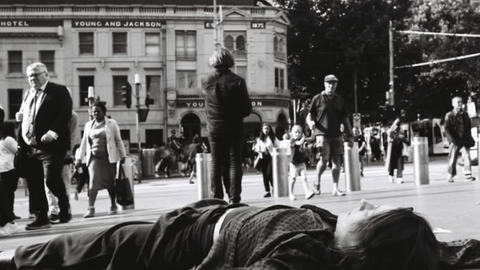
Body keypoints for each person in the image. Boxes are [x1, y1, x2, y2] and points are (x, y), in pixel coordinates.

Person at [2, 198, 480, 270]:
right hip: (202, 215)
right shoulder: (335, 233)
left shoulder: (304, 255)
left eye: (372, 212)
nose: (364, 203)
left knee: (83, 249)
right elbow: (457, 251)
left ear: (364, 245)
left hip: (182, 242)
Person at [15, 62, 73, 230]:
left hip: (51, 146)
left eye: (36, 74)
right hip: (30, 147)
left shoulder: (58, 90)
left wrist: (52, 132)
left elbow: (65, 114)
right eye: (30, 76)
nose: (32, 78)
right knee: (34, 183)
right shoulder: (28, 94)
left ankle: (64, 206)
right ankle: (41, 218)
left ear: (46, 75)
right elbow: (26, 117)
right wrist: (20, 118)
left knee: (52, 180)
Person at [202, 45, 252, 204]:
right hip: (234, 127)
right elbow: (247, 109)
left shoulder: (205, 80)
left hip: (214, 128)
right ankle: (234, 198)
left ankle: (217, 197)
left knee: (216, 161)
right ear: (229, 60)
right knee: (234, 162)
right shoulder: (237, 81)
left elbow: (207, 105)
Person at [75, 101, 127, 218]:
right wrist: (79, 158)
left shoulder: (111, 124)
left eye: (98, 111)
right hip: (94, 159)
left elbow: (118, 140)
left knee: (110, 183)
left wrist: (122, 155)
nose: (95, 114)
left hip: (108, 158)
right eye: (93, 112)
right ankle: (91, 208)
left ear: (104, 112)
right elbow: (83, 143)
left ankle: (113, 205)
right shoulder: (89, 125)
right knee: (93, 183)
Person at [306, 74, 354, 197]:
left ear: (336, 85)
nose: (331, 86)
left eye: (333, 83)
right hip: (321, 134)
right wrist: (310, 123)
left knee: (337, 161)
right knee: (324, 159)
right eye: (329, 83)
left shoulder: (339, 100)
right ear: (324, 84)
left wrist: (350, 134)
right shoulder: (317, 98)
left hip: (337, 134)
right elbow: (310, 115)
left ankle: (335, 188)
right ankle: (317, 180)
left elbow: (344, 118)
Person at [46, 101, 79, 222]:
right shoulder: (50, 113)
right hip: (50, 153)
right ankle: (53, 211)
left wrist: (68, 151)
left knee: (65, 182)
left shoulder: (72, 115)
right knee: (49, 183)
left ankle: (64, 209)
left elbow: (73, 135)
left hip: (64, 154)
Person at [444, 96, 476, 183]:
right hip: (455, 139)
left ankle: (467, 174)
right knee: (453, 158)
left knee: (467, 156)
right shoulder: (449, 115)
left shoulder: (465, 114)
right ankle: (450, 174)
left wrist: (469, 137)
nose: (460, 104)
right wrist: (451, 140)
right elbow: (446, 129)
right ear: (453, 104)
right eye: (458, 102)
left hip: (464, 138)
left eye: (461, 102)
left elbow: (468, 127)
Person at [0, 120, 20, 236]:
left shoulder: (2, 139)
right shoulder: (9, 139)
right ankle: (10, 219)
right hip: (8, 168)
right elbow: (17, 151)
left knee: (5, 194)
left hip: (2, 169)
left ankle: (9, 217)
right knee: (8, 193)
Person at [287, 125, 315, 201]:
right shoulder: (292, 141)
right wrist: (303, 138)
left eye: (299, 132)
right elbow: (299, 143)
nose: (297, 134)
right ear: (292, 133)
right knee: (293, 179)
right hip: (294, 164)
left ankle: (307, 192)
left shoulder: (302, 140)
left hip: (302, 163)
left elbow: (312, 138)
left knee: (304, 178)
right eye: (296, 132)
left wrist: (312, 131)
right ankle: (291, 193)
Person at [254, 123, 280, 198]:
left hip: (271, 157)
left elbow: (279, 146)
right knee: (264, 175)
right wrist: (259, 150)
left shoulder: (273, 138)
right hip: (262, 158)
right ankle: (267, 191)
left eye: (267, 128)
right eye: (264, 128)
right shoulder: (260, 139)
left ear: (270, 129)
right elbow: (256, 148)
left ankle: (274, 188)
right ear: (262, 130)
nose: (266, 130)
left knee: (269, 173)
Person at [385, 116, 409, 184]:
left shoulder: (393, 132)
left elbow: (403, 139)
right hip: (394, 150)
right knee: (395, 164)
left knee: (396, 164)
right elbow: (402, 139)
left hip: (395, 150)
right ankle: (395, 177)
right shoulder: (392, 132)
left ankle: (396, 177)